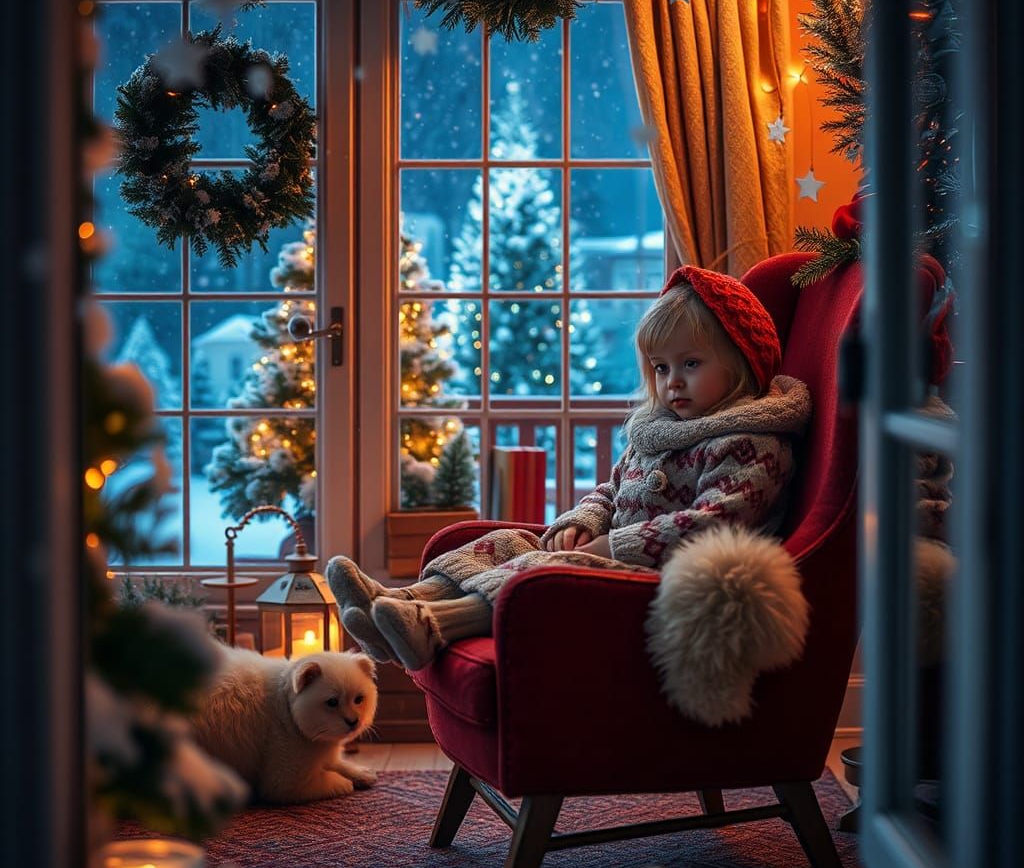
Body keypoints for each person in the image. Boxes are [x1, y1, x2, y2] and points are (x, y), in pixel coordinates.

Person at [328, 265, 812, 672]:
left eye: (690, 363)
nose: (672, 383)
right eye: (661, 368)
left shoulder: (754, 443)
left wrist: (613, 544)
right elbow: (611, 490)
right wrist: (583, 522)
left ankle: (433, 624)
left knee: (545, 571)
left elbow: (713, 522)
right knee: (511, 542)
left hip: (662, 582)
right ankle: (402, 602)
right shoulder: (659, 431)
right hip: (613, 556)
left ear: (741, 364)